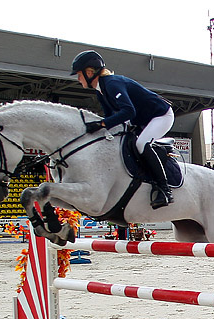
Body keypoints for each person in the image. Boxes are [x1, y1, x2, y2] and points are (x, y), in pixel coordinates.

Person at [70, 50, 175, 209]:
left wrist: (101, 124)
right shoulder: (101, 90)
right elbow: (110, 116)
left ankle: (164, 189)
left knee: (141, 144)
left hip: (161, 115)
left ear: (90, 72)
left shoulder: (112, 84)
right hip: (142, 121)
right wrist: (99, 128)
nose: (78, 79)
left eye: (79, 74)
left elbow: (128, 111)